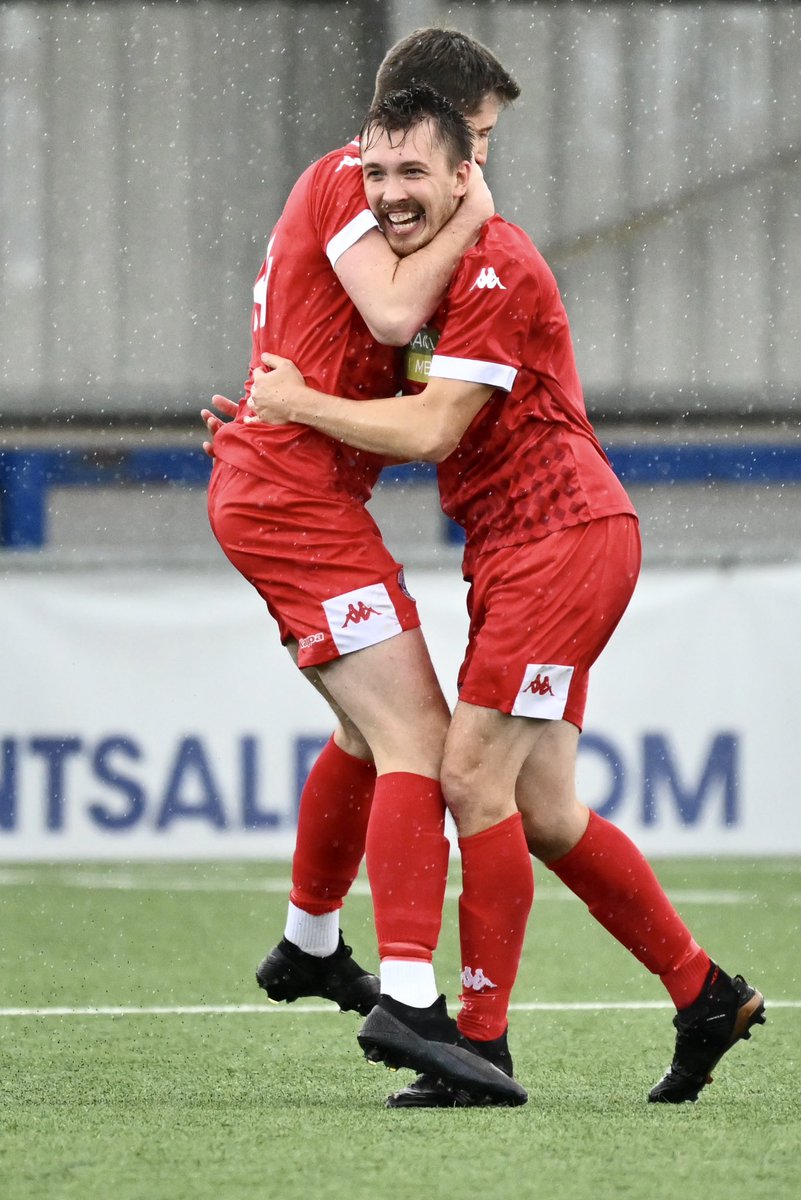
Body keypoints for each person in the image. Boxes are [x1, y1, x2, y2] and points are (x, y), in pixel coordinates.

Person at [246, 84, 766, 1107]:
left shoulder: (493, 264)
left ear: (464, 166)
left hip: (559, 541)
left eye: (420, 172)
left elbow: (434, 430)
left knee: (466, 774)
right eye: (379, 175)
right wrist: (279, 421)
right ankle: (705, 992)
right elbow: (405, 393)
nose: (392, 195)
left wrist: (298, 406)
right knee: (544, 809)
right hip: (522, 548)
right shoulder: (430, 272)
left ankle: (477, 1044)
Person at [205, 31, 525, 1106]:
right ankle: (408, 995)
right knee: (418, 743)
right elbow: (391, 314)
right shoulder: (351, 179)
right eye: (473, 138)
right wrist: (474, 216)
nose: (477, 161)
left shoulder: (379, 199)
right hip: (292, 501)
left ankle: (306, 943)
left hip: (292, 490)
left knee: (361, 732)